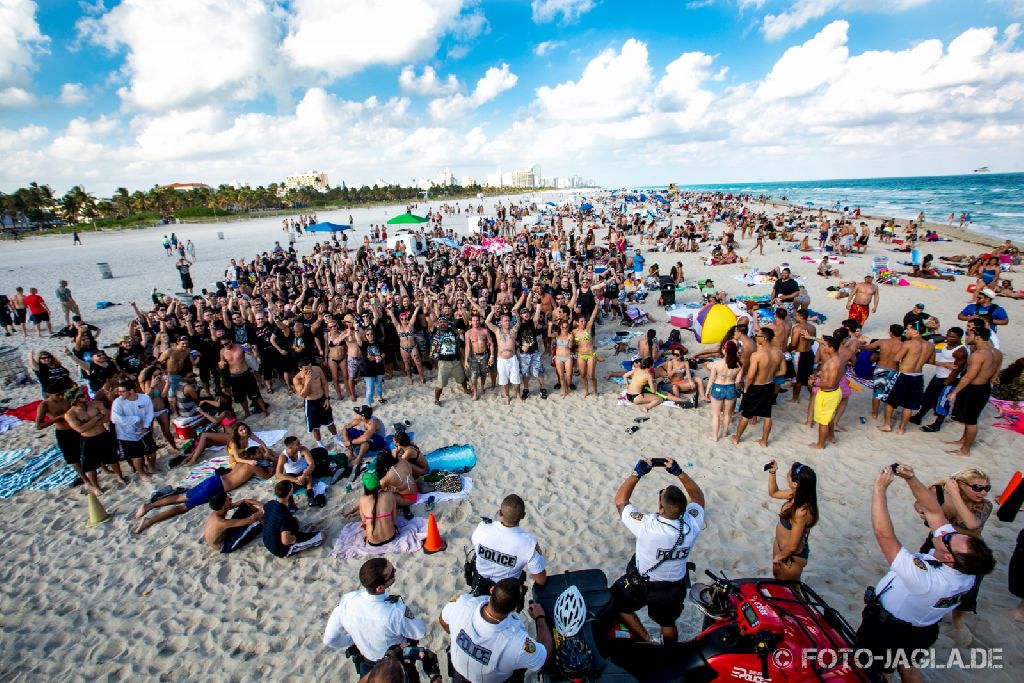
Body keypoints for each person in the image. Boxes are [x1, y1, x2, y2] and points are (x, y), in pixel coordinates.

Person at [855, 464, 995, 683]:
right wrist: (912, 479)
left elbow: (884, 534)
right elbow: (934, 511)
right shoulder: (965, 573)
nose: (945, 532)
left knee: (876, 671)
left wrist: (879, 490)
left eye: (948, 538)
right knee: (908, 668)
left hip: (889, 629)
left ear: (949, 558)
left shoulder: (926, 580)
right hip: (923, 630)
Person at [611, 458, 705, 643]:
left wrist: (637, 473)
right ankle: (667, 650)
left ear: (660, 507)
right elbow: (698, 498)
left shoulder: (648, 526)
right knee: (668, 622)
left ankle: (646, 638)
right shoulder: (691, 523)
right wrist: (680, 473)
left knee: (617, 602)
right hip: (673, 586)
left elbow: (620, 500)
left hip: (643, 583)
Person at [914, 468, 994, 645]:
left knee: (969, 591)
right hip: (940, 545)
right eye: (977, 487)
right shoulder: (942, 495)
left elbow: (972, 524)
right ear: (960, 484)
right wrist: (926, 505)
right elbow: (919, 505)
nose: (983, 492)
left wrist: (956, 496)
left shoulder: (985, 505)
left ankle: (958, 621)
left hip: (969, 552)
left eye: (987, 487)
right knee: (926, 583)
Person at [323, 558, 428, 679]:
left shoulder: (347, 601)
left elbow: (329, 639)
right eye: (392, 572)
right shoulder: (396, 611)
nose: (395, 571)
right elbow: (419, 632)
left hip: (366, 664)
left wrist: (352, 640)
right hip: (394, 667)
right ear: (380, 588)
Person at [439, 577, 553, 683]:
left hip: (459, 676)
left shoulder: (462, 604)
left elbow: (443, 621)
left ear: (492, 590)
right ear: (515, 608)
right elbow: (544, 658)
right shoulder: (516, 641)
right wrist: (540, 618)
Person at [133, 456, 272, 533]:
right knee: (183, 507)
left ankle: (150, 506)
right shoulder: (254, 467)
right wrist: (269, 459)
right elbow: (268, 477)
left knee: (182, 496)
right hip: (216, 487)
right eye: (260, 453)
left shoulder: (242, 461)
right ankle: (150, 520)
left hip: (214, 479)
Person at [468, 494, 547, 602]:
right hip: (507, 593)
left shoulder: (482, 528)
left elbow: (475, 546)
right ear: (523, 515)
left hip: (479, 583)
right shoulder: (529, 543)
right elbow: (541, 580)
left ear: (500, 512)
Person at [946, 327, 1002, 456]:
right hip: (985, 387)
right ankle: (963, 440)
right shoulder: (996, 353)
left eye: (969, 335)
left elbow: (969, 377)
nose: (967, 337)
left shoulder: (978, 355)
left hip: (975, 388)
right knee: (969, 418)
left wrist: (954, 392)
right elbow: (996, 371)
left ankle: (965, 450)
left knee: (971, 420)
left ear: (978, 337)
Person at [766, 461, 818, 581]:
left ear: (795, 483)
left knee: (791, 590)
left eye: (789, 474)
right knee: (778, 580)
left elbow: (793, 546)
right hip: (781, 548)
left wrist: (780, 556)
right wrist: (772, 472)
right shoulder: (796, 494)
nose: (787, 474)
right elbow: (774, 493)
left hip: (791, 556)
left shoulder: (802, 512)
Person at [732, 328, 783, 448]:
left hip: (756, 386)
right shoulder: (778, 352)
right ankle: (764, 441)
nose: (755, 337)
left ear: (764, 339)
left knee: (746, 414)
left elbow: (750, 376)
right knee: (767, 415)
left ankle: (736, 438)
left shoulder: (757, 355)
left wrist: (746, 388)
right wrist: (770, 375)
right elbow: (783, 370)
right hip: (769, 384)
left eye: (757, 336)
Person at [910, 327, 967, 432]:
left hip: (949, 380)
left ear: (959, 337)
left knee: (942, 402)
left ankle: (937, 424)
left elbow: (957, 370)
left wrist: (946, 383)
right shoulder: (947, 344)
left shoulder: (961, 351)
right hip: (938, 376)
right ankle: (919, 416)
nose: (949, 338)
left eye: (952, 337)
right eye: (948, 335)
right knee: (928, 397)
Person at [879, 323, 931, 435]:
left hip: (904, 375)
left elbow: (897, 358)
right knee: (909, 405)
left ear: (915, 331)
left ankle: (887, 425)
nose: (906, 331)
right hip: (918, 376)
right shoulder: (930, 345)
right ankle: (901, 429)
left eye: (908, 329)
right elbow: (930, 361)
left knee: (890, 401)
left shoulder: (909, 343)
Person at [110, 378, 157, 482]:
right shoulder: (118, 402)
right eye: (119, 391)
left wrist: (145, 427)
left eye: (122, 391)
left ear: (131, 391)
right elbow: (115, 418)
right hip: (126, 434)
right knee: (137, 456)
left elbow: (149, 413)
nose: (119, 393)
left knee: (152, 451)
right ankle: (142, 474)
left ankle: (151, 466)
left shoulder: (144, 398)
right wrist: (135, 419)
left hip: (144, 431)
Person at [262, 480, 323, 557]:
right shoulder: (284, 515)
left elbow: (264, 512)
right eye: (292, 488)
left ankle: (301, 534)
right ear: (289, 493)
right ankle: (303, 539)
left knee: (294, 520)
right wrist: (300, 537)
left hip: (267, 540)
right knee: (322, 535)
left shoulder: (270, 503)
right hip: (280, 549)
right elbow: (286, 541)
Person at [293, 358, 342, 449]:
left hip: (322, 398)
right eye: (306, 369)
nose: (309, 370)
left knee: (330, 421)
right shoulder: (297, 379)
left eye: (310, 367)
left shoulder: (317, 369)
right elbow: (303, 395)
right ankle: (319, 443)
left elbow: (324, 383)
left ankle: (336, 437)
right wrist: (307, 381)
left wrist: (327, 398)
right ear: (300, 368)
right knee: (315, 426)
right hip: (311, 402)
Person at [863, 324, 904, 420]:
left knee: (877, 393)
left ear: (890, 333)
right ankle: (888, 414)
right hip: (894, 370)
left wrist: (859, 345)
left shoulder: (882, 342)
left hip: (881, 369)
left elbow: (868, 347)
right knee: (890, 392)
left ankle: (875, 413)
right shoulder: (903, 345)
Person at [810, 334, 843, 450]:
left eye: (824, 345)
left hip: (828, 394)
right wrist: (818, 374)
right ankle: (831, 436)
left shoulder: (833, 363)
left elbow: (830, 383)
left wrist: (814, 384)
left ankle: (820, 444)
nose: (822, 347)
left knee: (823, 421)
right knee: (828, 418)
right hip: (832, 392)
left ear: (831, 348)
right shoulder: (835, 359)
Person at [705, 340, 742, 441]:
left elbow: (712, 379)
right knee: (727, 414)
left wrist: (707, 391)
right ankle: (725, 432)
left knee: (716, 415)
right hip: (731, 388)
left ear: (724, 350)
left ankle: (715, 436)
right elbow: (738, 382)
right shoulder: (739, 364)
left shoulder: (717, 363)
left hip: (718, 387)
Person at [343, 405, 387, 476]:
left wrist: (350, 442)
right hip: (369, 436)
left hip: (379, 441)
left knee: (365, 441)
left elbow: (365, 438)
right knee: (349, 431)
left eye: (357, 413)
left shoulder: (373, 422)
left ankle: (358, 458)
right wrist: (346, 441)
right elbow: (345, 428)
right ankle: (351, 455)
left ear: (363, 417)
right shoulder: (360, 420)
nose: (356, 414)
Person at [276, 436, 316, 506]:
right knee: (285, 482)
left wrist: (303, 476)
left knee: (308, 474)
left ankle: (310, 496)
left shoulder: (303, 449)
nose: (300, 445)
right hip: (292, 475)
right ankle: (291, 503)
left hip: (303, 472)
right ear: (290, 447)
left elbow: (311, 464)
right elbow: (278, 474)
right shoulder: (283, 456)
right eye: (297, 444)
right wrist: (295, 480)